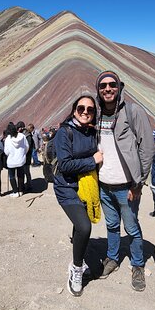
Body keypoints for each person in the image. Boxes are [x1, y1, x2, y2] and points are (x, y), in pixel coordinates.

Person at [95, 70, 155, 292]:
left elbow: (147, 147)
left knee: (131, 228)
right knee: (111, 225)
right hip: (104, 185)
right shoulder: (98, 115)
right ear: (98, 90)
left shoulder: (132, 112)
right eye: (103, 86)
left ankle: (137, 264)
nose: (108, 89)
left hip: (127, 187)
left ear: (119, 87)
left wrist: (138, 183)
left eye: (112, 85)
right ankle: (112, 258)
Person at [54, 95, 102, 296]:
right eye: (81, 108)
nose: (85, 112)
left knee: (79, 223)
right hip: (67, 187)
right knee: (84, 226)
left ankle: (78, 250)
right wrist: (92, 160)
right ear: (74, 110)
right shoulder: (64, 133)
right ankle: (76, 268)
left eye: (90, 109)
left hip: (86, 186)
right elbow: (64, 165)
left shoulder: (91, 132)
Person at [4, 122, 28, 197]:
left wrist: (10, 155)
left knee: (12, 176)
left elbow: (6, 151)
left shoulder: (8, 139)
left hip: (11, 161)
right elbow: (26, 147)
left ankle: (15, 191)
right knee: (20, 175)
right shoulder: (22, 136)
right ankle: (21, 191)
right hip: (20, 160)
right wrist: (23, 154)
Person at [20, 121, 34, 191]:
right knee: (26, 171)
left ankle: (26, 185)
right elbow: (28, 147)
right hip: (26, 156)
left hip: (23, 157)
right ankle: (28, 185)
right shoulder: (28, 136)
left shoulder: (24, 135)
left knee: (24, 171)